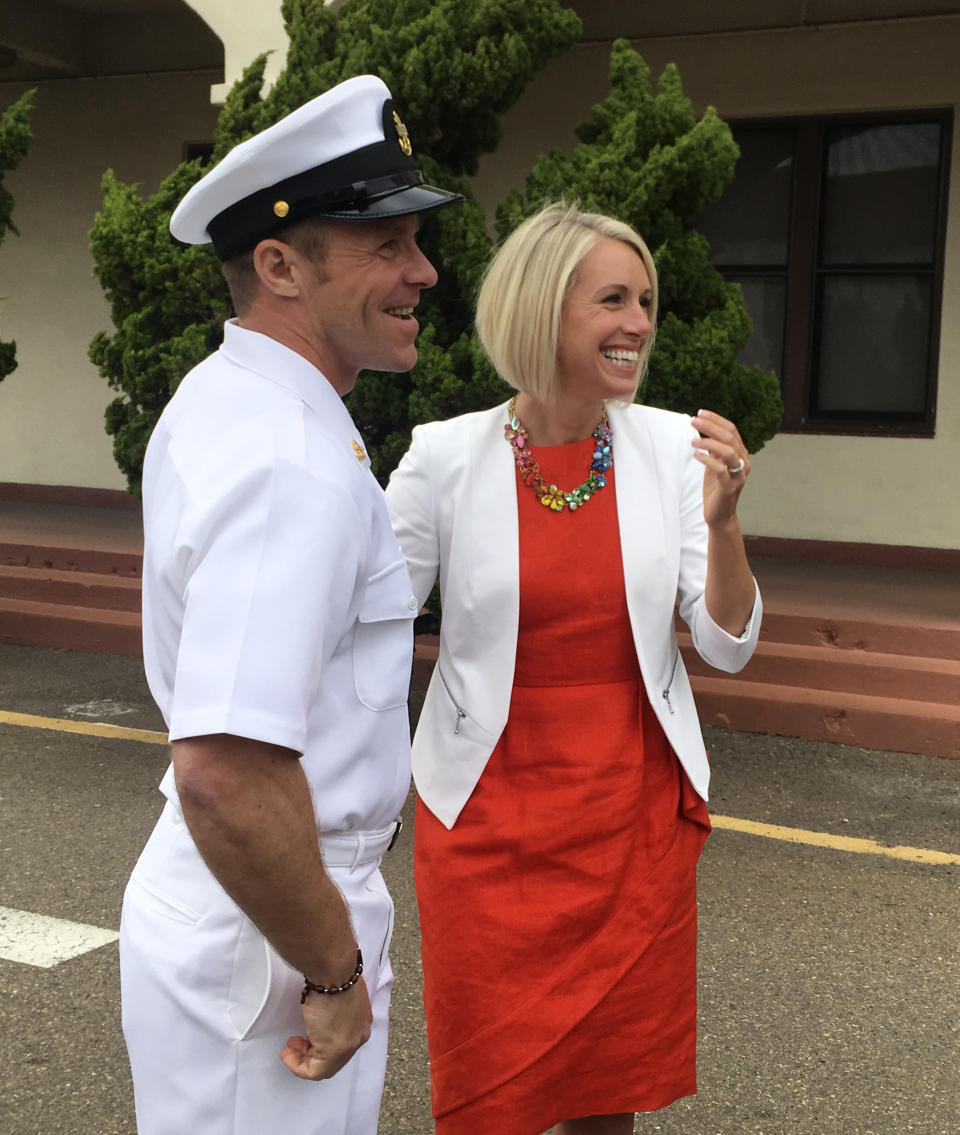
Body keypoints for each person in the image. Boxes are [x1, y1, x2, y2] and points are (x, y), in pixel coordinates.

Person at [118, 74, 461, 1135]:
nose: (424, 271)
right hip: (271, 923)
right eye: (385, 245)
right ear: (277, 264)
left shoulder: (233, 399)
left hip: (251, 898)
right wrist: (328, 969)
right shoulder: (289, 461)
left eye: (416, 240)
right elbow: (225, 769)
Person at [385, 202, 762, 1135]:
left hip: (629, 818)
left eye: (646, 300)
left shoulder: (672, 446)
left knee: (608, 1090)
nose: (639, 322)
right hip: (485, 822)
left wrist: (721, 525)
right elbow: (367, 619)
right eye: (612, 300)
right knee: (491, 1095)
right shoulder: (443, 458)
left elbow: (726, 644)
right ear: (541, 309)